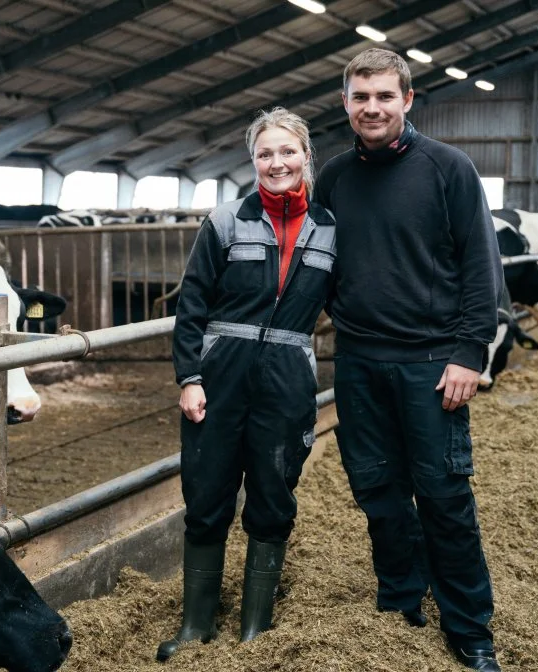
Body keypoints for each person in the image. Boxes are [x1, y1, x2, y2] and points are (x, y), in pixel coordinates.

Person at [312, 48, 503, 672]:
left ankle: (469, 626)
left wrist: (469, 352)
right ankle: (400, 596)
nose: (372, 107)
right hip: (360, 359)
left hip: (431, 362)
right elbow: (313, 266)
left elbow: (481, 266)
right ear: (346, 103)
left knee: (444, 494)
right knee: (377, 489)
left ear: (408, 100)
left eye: (384, 96)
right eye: (361, 97)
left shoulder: (448, 168)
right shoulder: (334, 178)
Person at [160, 107, 336, 661]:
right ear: (252, 159)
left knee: (273, 493)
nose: (276, 162)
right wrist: (189, 377)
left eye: (287, 152)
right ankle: (196, 627)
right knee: (207, 493)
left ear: (306, 157)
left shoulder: (330, 229)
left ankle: (254, 629)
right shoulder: (224, 221)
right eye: (265, 153)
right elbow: (191, 308)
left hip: (287, 376)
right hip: (220, 373)